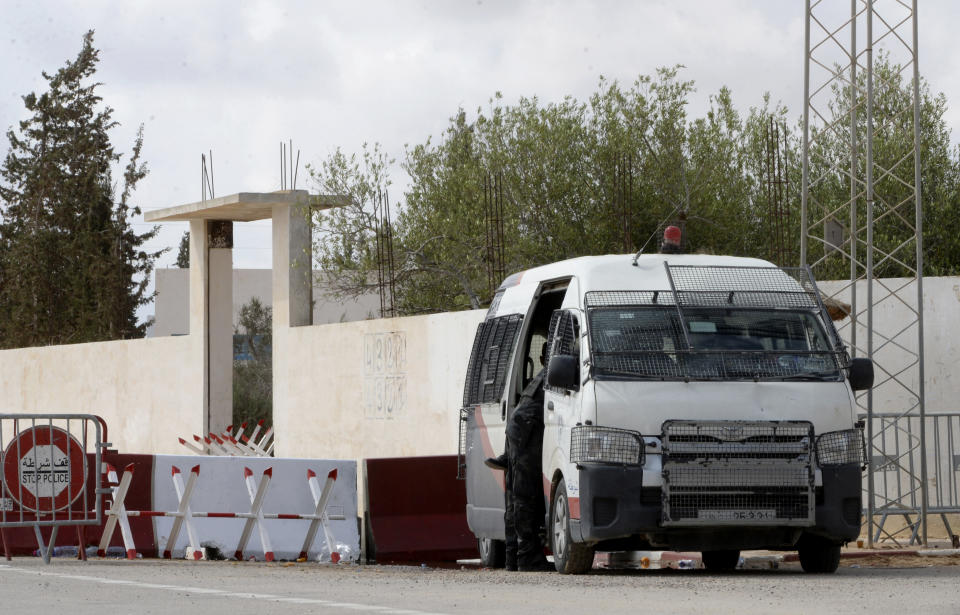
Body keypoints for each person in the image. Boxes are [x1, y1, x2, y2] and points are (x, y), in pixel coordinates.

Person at [485, 345, 552, 572]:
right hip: (527, 430)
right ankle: (527, 557)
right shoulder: (556, 374)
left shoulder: (543, 376)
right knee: (525, 495)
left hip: (518, 429)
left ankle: (513, 557)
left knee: (515, 496)